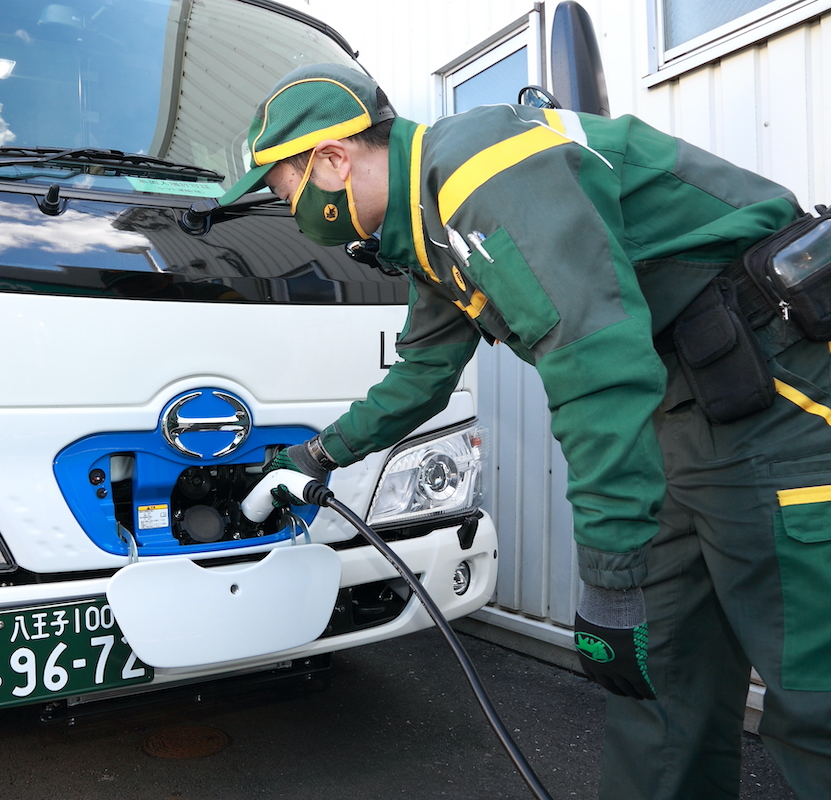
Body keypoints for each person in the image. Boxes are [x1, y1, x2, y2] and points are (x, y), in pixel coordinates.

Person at [218, 63, 831, 799]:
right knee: (660, 679)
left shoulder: (482, 169)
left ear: (332, 160)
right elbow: (421, 376)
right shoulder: (426, 227)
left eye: (286, 192)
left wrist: (607, 579)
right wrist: (316, 457)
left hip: (778, 392)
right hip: (673, 406)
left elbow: (598, 366)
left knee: (813, 687)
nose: (292, 213)